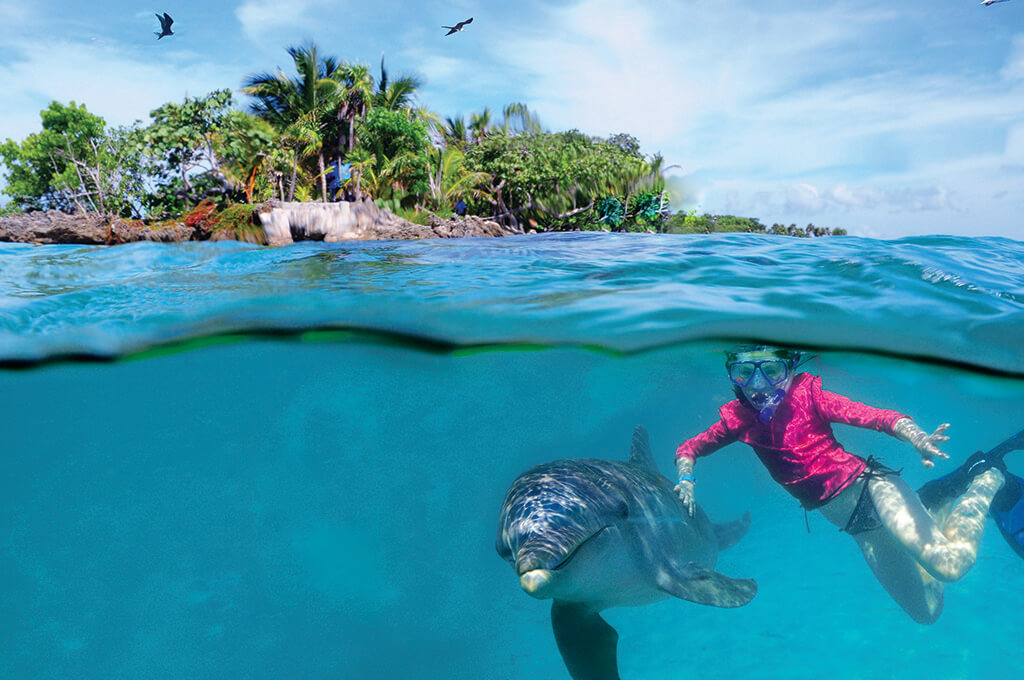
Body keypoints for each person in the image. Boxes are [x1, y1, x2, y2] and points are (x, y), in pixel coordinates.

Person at [673, 345, 1024, 624]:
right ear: (733, 377)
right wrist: (686, 480)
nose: (760, 385)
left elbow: (875, 416)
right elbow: (689, 449)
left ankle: (986, 477)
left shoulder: (809, 396)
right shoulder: (737, 420)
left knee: (949, 565)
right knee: (928, 613)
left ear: (790, 369)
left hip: (872, 489)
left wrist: (916, 436)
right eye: (746, 373)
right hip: (858, 526)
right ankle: (931, 504)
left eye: (772, 370)